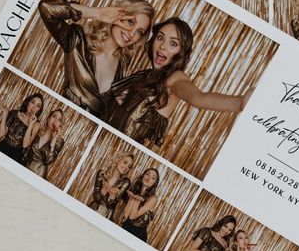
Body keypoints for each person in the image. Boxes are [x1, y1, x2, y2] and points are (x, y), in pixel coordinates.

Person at [104, 18, 253, 154]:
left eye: (173, 43)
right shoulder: (146, 74)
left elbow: (198, 98)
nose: (162, 46)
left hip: (116, 152)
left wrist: (239, 103)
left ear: (181, 52)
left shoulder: (175, 78)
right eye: (160, 37)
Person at [38, 0, 154, 118]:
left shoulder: (123, 65)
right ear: (119, 14)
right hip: (63, 120)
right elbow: (46, 8)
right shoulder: (78, 41)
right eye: (131, 22)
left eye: (139, 32)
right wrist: (96, 13)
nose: (132, 33)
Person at [0, 93, 44, 165]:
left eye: (38, 106)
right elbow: (2, 133)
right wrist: (5, 114)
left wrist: (31, 124)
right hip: (2, 147)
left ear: (39, 110)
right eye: (33, 102)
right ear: (28, 102)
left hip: (16, 155)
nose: (34, 106)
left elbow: (25, 144)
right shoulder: (14, 113)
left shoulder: (36, 124)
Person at [22, 108, 65, 179]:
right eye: (54, 116)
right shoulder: (38, 130)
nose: (55, 120)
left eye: (59, 120)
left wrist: (54, 140)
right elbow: (25, 146)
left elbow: (49, 161)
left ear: (60, 124)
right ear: (48, 118)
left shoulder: (59, 141)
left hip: (39, 174)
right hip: (25, 166)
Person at [120, 167, 160, 243]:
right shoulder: (134, 190)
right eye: (147, 174)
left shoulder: (153, 198)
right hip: (126, 227)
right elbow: (126, 214)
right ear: (143, 176)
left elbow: (133, 216)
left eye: (153, 178)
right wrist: (133, 198)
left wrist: (137, 200)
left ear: (154, 183)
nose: (148, 178)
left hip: (138, 234)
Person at [88, 154, 134, 220]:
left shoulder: (126, 182)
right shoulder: (102, 173)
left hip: (107, 215)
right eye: (125, 162)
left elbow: (111, 205)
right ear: (118, 160)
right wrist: (105, 189)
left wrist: (113, 196)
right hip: (93, 209)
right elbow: (96, 197)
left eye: (129, 166)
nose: (126, 167)